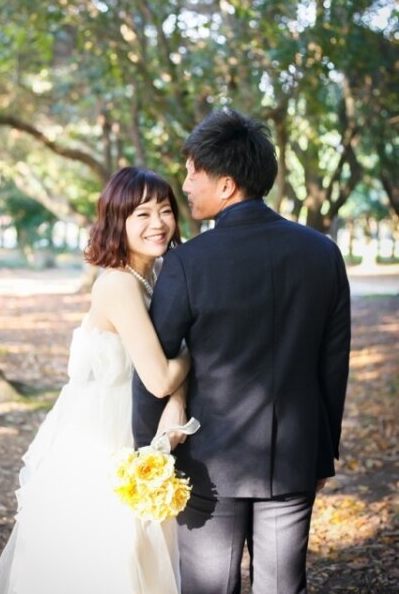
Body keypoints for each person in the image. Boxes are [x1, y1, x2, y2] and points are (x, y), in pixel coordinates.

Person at [133, 109, 351, 594]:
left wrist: (146, 454)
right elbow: (333, 365)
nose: (185, 185)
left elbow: (154, 368)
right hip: (294, 455)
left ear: (226, 185)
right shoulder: (323, 253)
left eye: (193, 173)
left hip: (207, 464)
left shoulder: (187, 263)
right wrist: (322, 452)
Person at [0, 167, 192, 594]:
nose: (158, 223)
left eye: (165, 210)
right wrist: (195, 355)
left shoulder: (158, 272)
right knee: (109, 552)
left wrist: (178, 399)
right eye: (142, 214)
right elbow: (159, 378)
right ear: (117, 221)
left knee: (142, 550)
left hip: (138, 422)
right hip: (103, 434)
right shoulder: (118, 284)